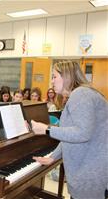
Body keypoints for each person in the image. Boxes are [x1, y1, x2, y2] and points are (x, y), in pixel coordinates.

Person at [31, 61, 108, 199]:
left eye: (54, 77)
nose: (52, 81)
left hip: (92, 173)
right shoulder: (82, 94)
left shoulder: (81, 94)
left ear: (66, 76)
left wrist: (46, 129)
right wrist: (53, 157)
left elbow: (82, 133)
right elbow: (71, 134)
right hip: (88, 169)